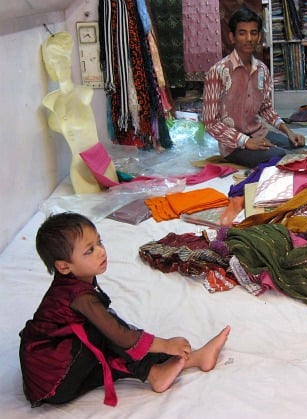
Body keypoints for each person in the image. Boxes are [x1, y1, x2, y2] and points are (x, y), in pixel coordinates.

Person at [19, 212, 230, 407]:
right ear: (64, 267)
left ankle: (178, 365)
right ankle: (157, 372)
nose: (101, 251)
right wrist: (164, 344)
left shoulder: (77, 282)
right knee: (107, 332)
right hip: (55, 381)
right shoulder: (79, 297)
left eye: (99, 242)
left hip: (57, 379)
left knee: (111, 342)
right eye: (89, 250)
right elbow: (119, 335)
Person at [202, 6, 307, 168]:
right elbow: (210, 122)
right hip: (234, 145)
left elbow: (265, 108)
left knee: (305, 151)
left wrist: (288, 132)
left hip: (260, 133)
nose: (249, 38)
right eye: (242, 33)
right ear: (232, 37)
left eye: (254, 32)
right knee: (280, 157)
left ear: (259, 36)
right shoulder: (217, 72)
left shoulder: (262, 70)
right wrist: (246, 141)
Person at [42, 32, 118, 194]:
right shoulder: (52, 102)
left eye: (63, 59)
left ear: (69, 60)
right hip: (79, 165)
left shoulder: (84, 93)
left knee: (117, 199)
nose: (60, 65)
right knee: (93, 205)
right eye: (54, 61)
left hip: (99, 158)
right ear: (49, 66)